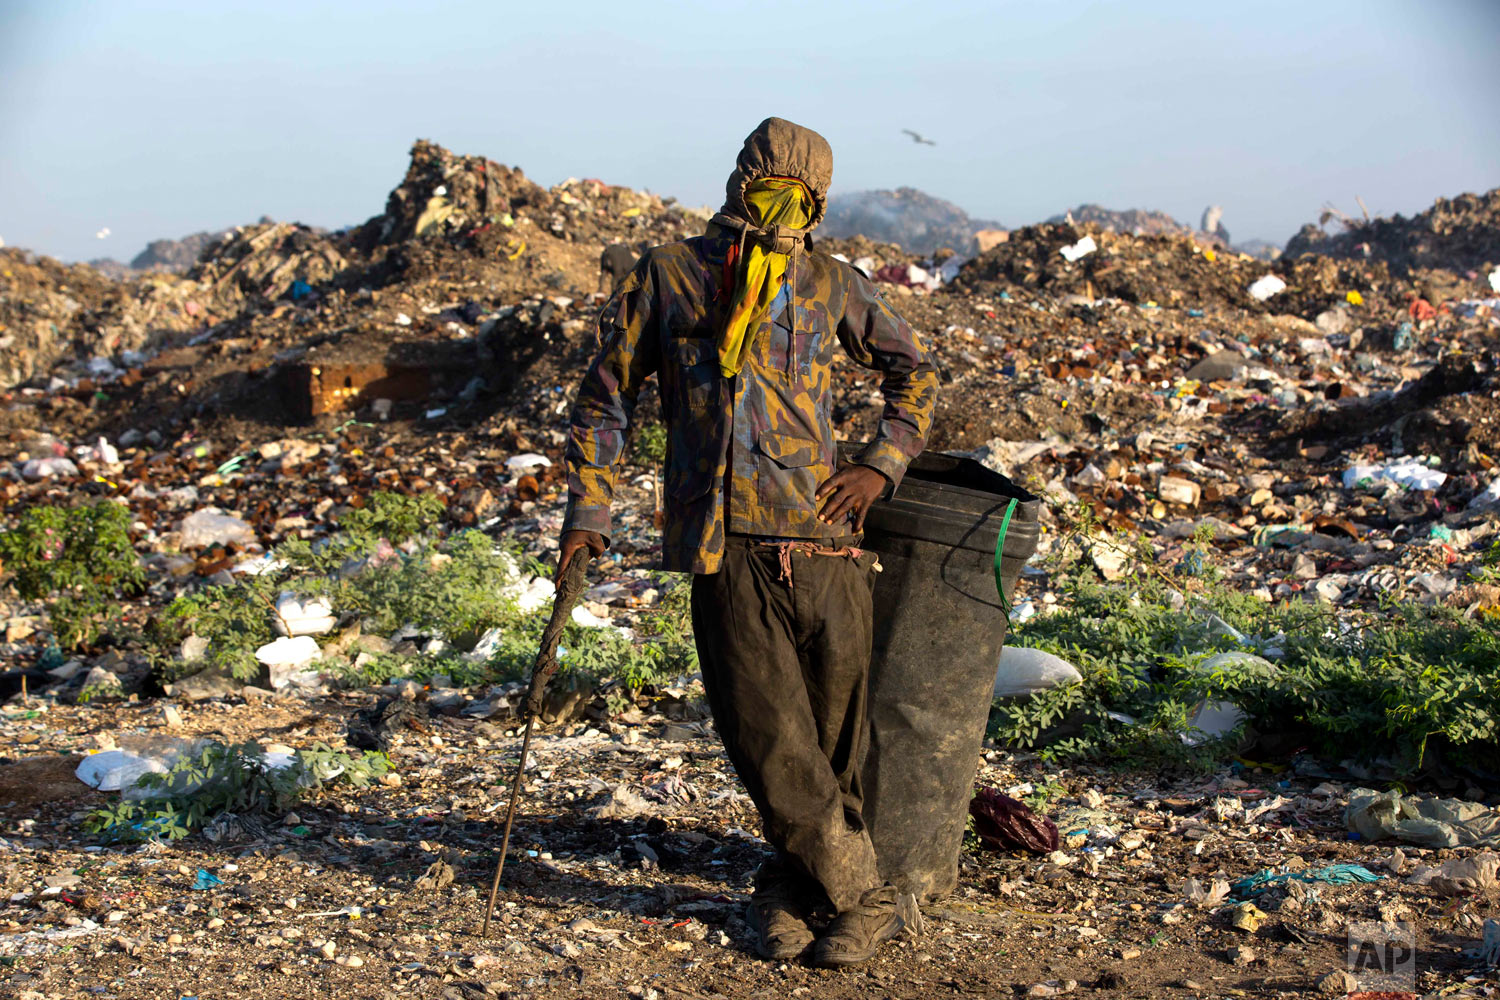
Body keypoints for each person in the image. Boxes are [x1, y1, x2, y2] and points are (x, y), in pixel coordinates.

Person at [558, 117, 937, 967]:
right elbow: (603, 399)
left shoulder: (832, 285)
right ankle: (868, 898)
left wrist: (881, 464)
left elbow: (916, 372)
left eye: (799, 199)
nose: (780, 210)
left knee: (838, 743)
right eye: (769, 191)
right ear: (737, 184)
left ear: (819, 204)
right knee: (768, 740)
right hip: (722, 546)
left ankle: (793, 894)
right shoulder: (672, 275)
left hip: (826, 544)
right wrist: (589, 513)